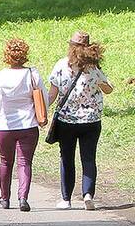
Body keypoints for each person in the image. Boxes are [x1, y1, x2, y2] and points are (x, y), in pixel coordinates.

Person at [47, 31, 114, 210]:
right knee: (89, 158)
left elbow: (52, 94)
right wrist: (99, 82)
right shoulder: (93, 67)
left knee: (67, 158)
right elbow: (108, 89)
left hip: (66, 121)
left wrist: (40, 111)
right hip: (91, 121)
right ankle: (88, 195)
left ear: (71, 46)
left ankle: (66, 199)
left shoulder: (61, 65)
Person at [0, 38, 43, 212]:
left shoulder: (1, 75)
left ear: (7, 55)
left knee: (5, 162)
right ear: (25, 55)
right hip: (28, 124)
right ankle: (23, 197)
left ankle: (4, 198)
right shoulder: (32, 74)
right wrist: (43, 116)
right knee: (25, 162)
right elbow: (43, 97)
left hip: (5, 125)